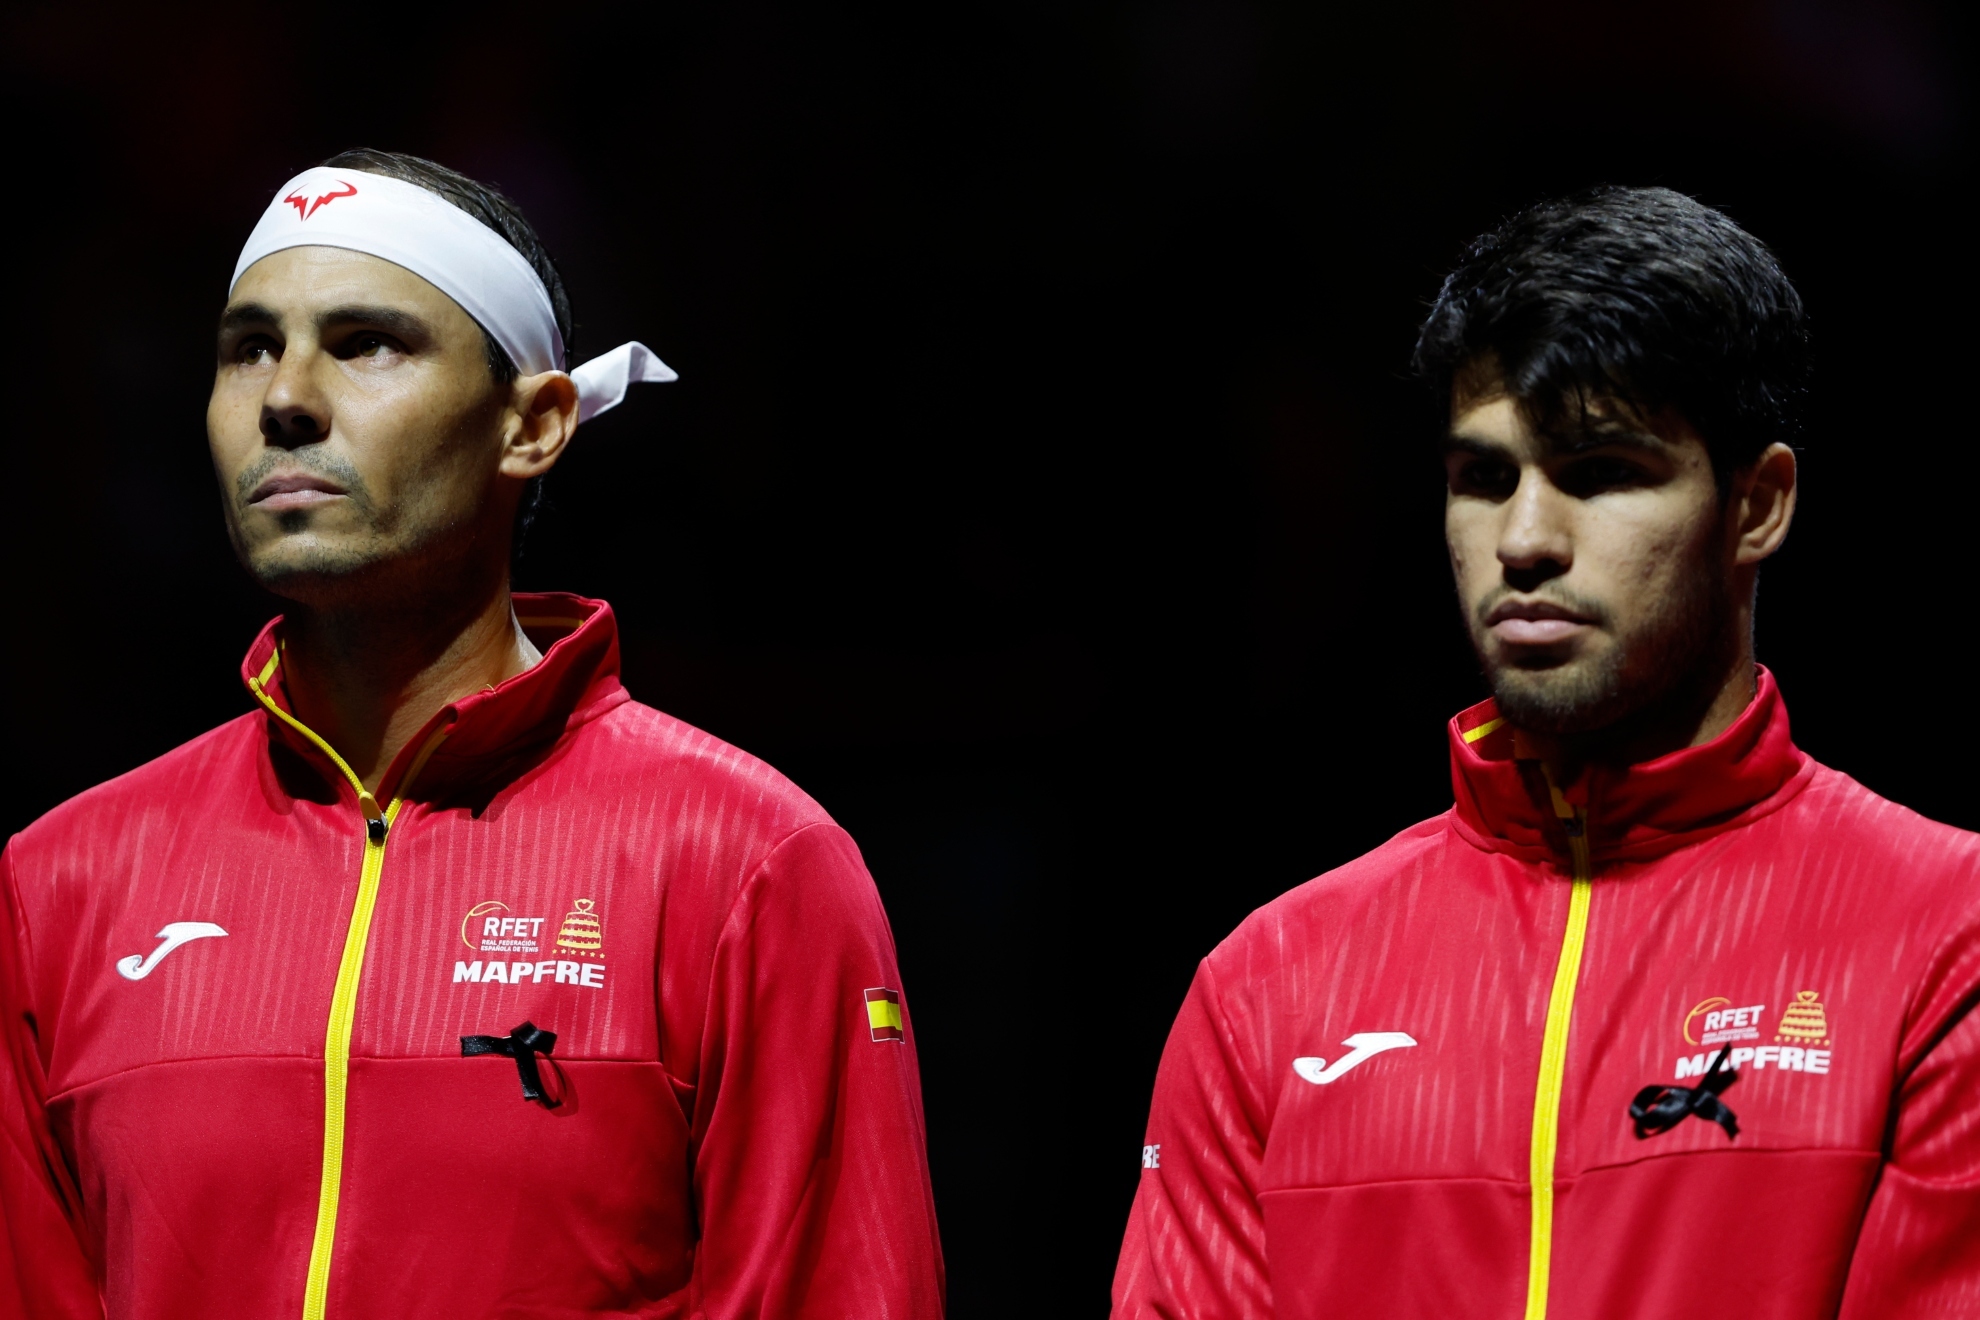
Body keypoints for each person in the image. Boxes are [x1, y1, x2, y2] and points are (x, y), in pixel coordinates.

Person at [0, 149, 943, 1319]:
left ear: (533, 425)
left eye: (365, 344)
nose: (285, 398)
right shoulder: (63, 882)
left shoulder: (745, 865)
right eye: (249, 348)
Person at [1111, 187, 1980, 1318]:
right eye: (1485, 479)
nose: (1523, 541)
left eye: (1600, 472)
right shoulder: (1267, 991)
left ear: (1757, 506)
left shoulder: (1943, 939)